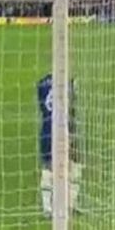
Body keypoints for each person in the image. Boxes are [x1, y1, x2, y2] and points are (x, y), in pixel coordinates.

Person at [37, 73, 82, 218]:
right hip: (64, 128)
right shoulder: (68, 83)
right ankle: (71, 203)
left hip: (46, 129)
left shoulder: (41, 83)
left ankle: (47, 207)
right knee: (75, 161)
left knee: (48, 165)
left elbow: (43, 107)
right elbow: (71, 110)